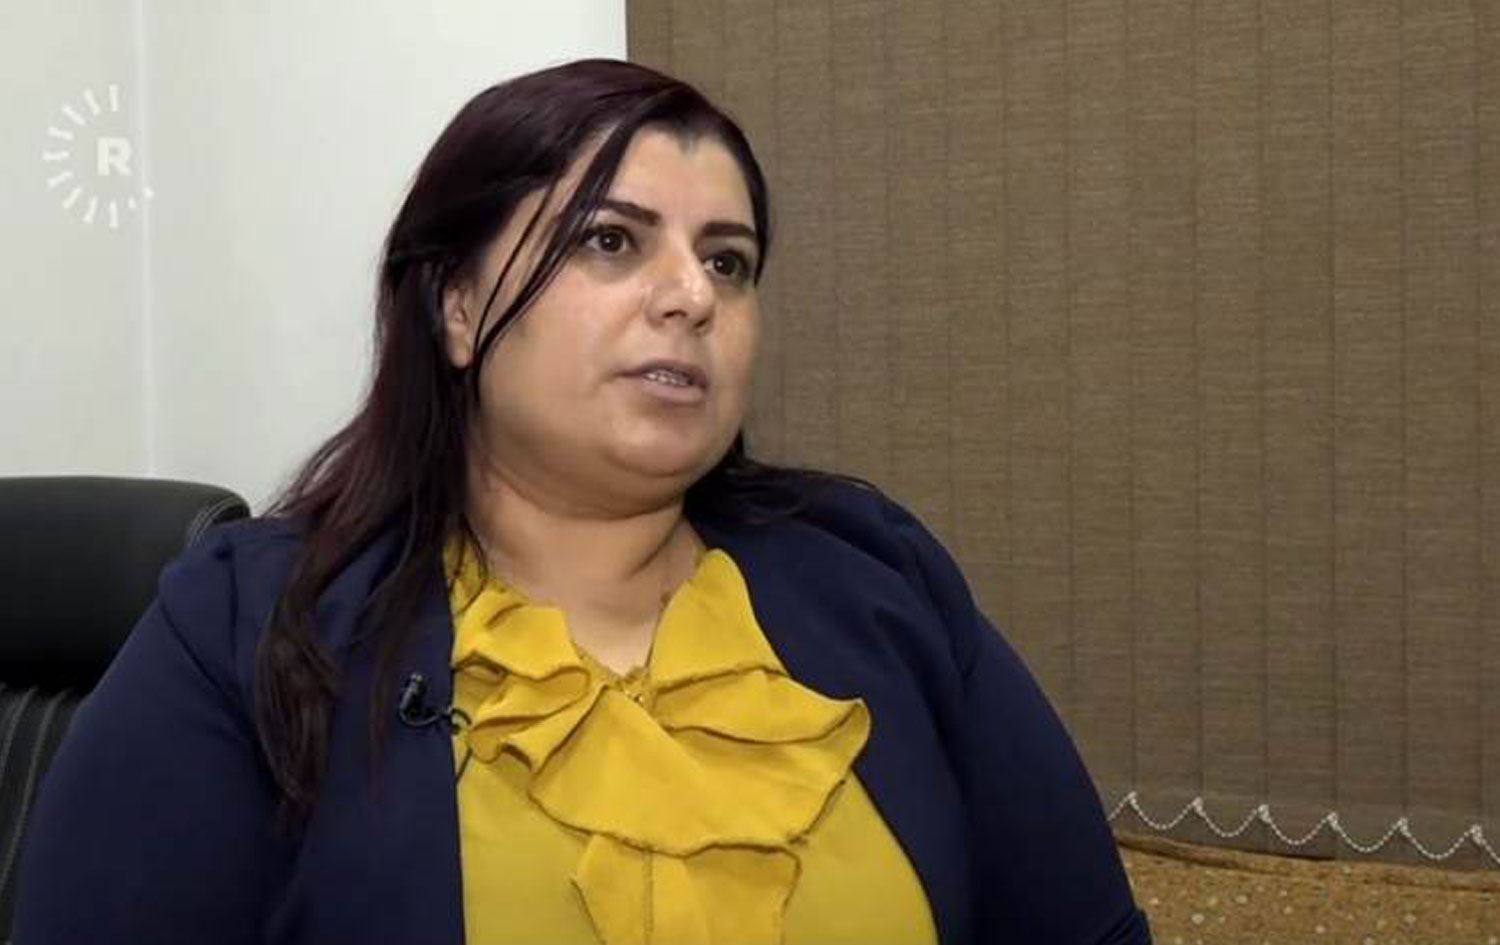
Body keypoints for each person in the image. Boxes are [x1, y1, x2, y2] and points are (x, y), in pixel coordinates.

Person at [14, 58, 1151, 945]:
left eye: (729, 261)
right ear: (459, 308)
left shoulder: (878, 576)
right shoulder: (253, 626)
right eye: (612, 241)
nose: (691, 296)